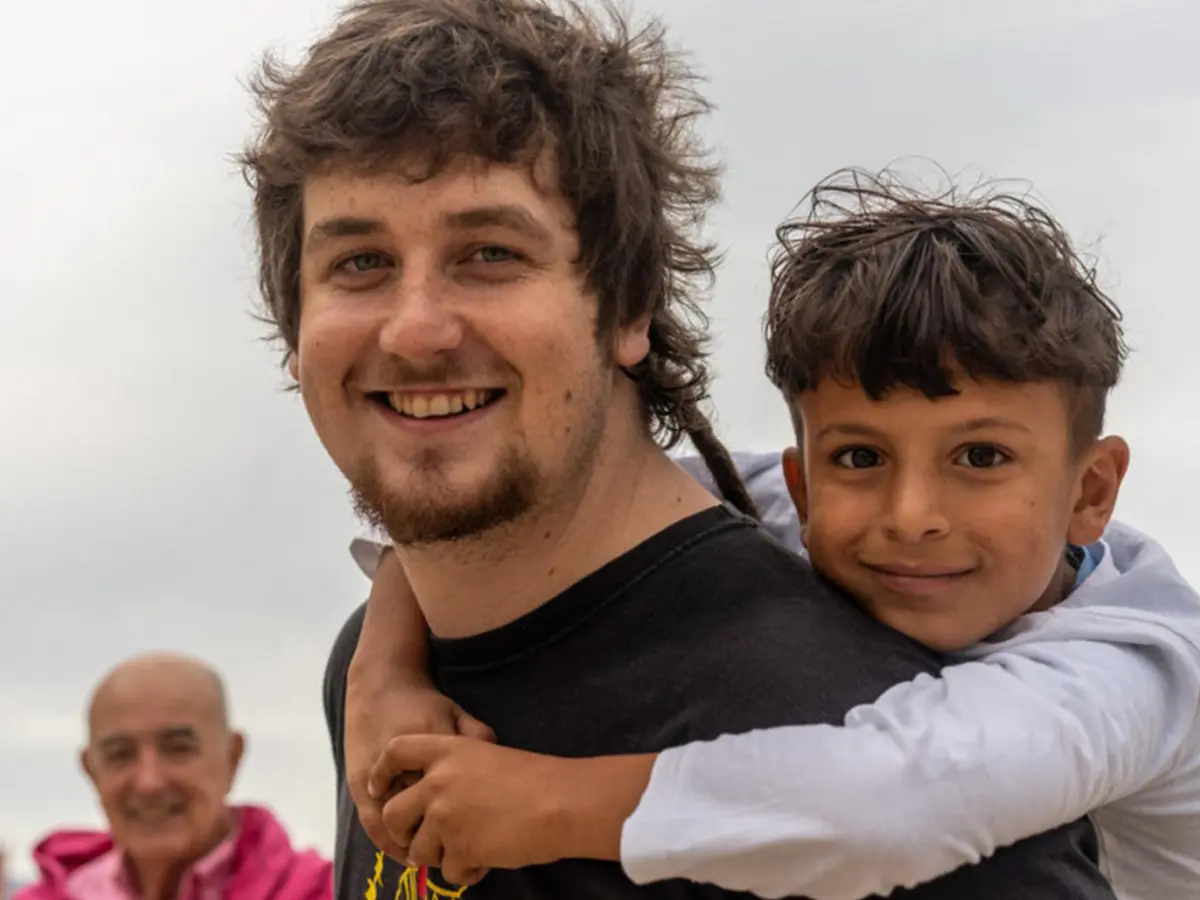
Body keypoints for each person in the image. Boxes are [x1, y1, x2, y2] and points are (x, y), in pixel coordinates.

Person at [239, 0, 1117, 896]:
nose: (417, 328)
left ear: (630, 308)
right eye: (359, 263)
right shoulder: (378, 672)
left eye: (490, 253)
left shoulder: (884, 759)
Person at [345, 170, 1200, 900]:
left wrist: (544, 803)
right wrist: (382, 673)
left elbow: (893, 805)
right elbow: (530, 506)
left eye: (980, 456)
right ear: (799, 481)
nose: (910, 513)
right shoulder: (788, 503)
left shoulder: (1132, 668)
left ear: (1090, 492)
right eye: (861, 454)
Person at [15, 654, 331, 900]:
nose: (149, 782)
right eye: (120, 754)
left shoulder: (336, 891)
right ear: (91, 770)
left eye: (177, 749)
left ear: (232, 757)